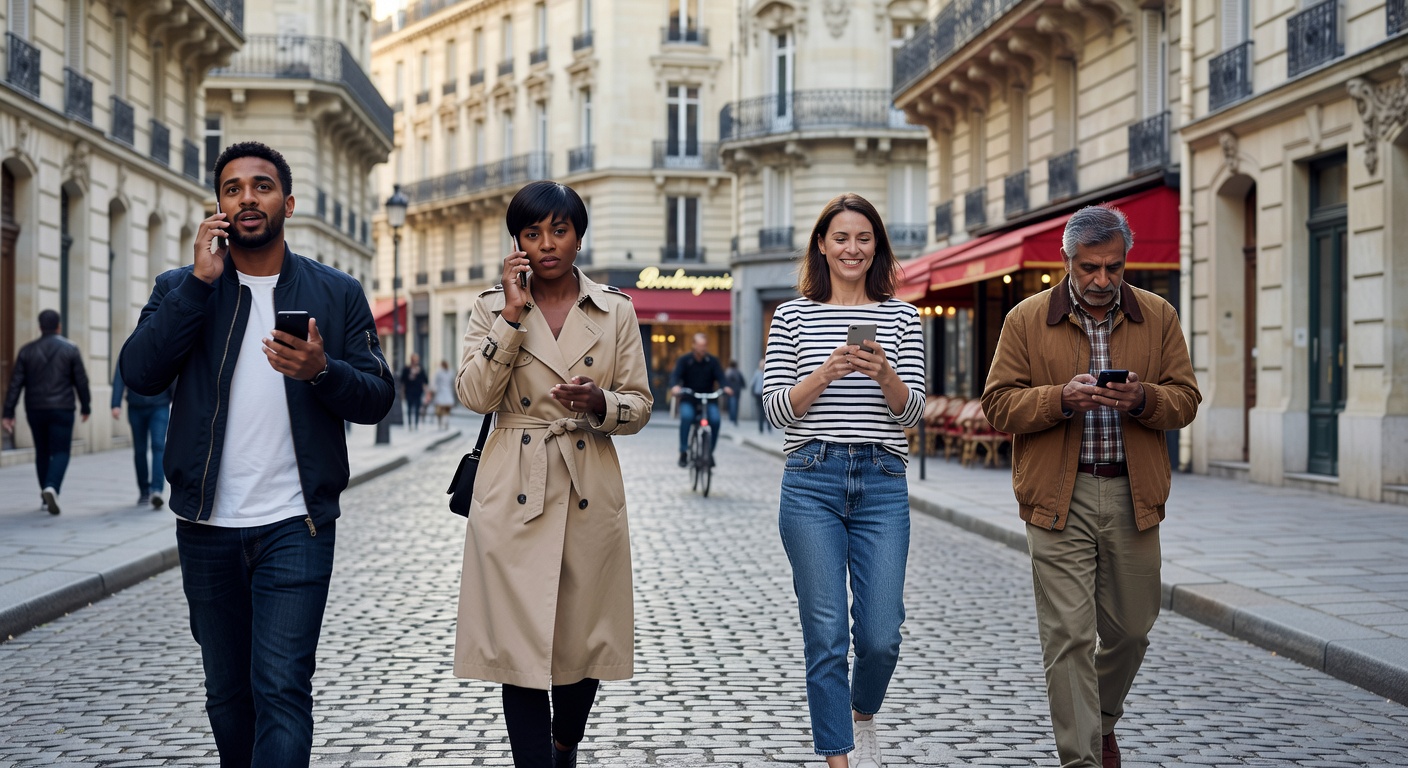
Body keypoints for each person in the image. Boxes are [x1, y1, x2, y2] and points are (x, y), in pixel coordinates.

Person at [118, 141, 395, 765]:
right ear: (218, 205)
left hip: (296, 523)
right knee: (227, 695)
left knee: (282, 688)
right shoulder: (180, 287)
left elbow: (379, 397)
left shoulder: (337, 292)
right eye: (233, 187)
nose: (248, 197)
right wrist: (197, 285)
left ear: (288, 203)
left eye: (262, 186)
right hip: (206, 524)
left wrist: (323, 370)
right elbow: (139, 371)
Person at [981, 204, 1200, 768]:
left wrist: (1144, 399)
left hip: (1134, 495)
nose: (1102, 280)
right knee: (1069, 637)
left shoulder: (1159, 315)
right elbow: (997, 404)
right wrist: (1060, 398)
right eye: (1089, 268)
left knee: (1131, 631)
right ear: (1067, 261)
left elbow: (1186, 399)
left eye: (1114, 267)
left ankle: (1098, 718)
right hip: (1058, 497)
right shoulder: (1026, 320)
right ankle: (1081, 756)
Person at [455, 180, 652, 768]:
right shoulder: (492, 307)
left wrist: (600, 404)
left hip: (587, 478)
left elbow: (640, 404)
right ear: (517, 240)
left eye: (558, 231)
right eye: (532, 232)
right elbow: (474, 393)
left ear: (578, 237)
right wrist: (512, 317)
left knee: (583, 640)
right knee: (519, 641)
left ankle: (564, 741)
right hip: (513, 481)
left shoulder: (615, 309)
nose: (546, 244)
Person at [762, 193, 926, 768]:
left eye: (863, 238)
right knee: (826, 632)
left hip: (882, 481)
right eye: (841, 238)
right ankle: (838, 756)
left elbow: (910, 416)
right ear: (822, 246)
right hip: (811, 480)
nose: (852, 248)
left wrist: (885, 375)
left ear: (876, 246)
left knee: (881, 636)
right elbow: (779, 412)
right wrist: (825, 373)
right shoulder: (792, 316)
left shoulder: (904, 318)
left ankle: (861, 707)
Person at [2, 309, 92, 515]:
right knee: (61, 451)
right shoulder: (70, 349)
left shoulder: (26, 351)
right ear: (59, 326)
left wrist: (8, 412)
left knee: (42, 451)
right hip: (63, 408)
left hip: (35, 409)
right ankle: (52, 486)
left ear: (39, 327)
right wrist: (86, 406)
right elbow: (81, 381)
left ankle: (45, 495)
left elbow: (15, 384)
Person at [111, 367, 173, 509]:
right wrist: (115, 403)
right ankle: (144, 491)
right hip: (135, 406)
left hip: (160, 405)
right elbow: (121, 373)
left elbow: (171, 371)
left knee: (158, 446)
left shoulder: (161, 346)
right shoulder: (131, 346)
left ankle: (156, 490)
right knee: (140, 450)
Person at [668, 333, 732, 467]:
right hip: (689, 398)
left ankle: (709, 453)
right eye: (700, 346)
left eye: (705, 346)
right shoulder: (684, 360)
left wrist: (725, 387)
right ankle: (684, 451)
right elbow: (675, 376)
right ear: (694, 345)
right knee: (686, 417)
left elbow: (721, 377)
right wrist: (675, 387)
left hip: (708, 398)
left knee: (715, 420)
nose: (703, 349)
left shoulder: (712, 361)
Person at [400, 353, 428, 430]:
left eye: (417, 360)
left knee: (417, 408)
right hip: (409, 391)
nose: (416, 361)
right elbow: (402, 379)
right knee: (409, 408)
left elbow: (425, 380)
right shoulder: (407, 368)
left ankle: (415, 424)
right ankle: (409, 424)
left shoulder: (420, 368)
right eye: (414, 359)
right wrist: (410, 376)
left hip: (418, 391)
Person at [431, 359, 456, 430]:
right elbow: (453, 383)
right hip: (448, 395)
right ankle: (446, 422)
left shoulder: (438, 372)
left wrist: (434, 390)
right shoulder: (450, 372)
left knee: (439, 412)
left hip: (440, 394)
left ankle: (441, 424)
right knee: (446, 411)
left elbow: (434, 382)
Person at [751, 358, 771, 434]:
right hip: (759, 395)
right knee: (761, 412)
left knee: (767, 412)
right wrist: (753, 393)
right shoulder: (757, 373)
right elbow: (752, 383)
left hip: (766, 394)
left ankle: (769, 428)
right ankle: (761, 428)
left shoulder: (768, 372)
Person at [723, 360, 746, 426]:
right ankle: (734, 419)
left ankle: (732, 419)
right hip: (737, 391)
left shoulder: (728, 372)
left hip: (730, 391)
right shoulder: (737, 372)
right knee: (735, 405)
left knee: (731, 405)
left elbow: (725, 381)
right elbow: (742, 381)